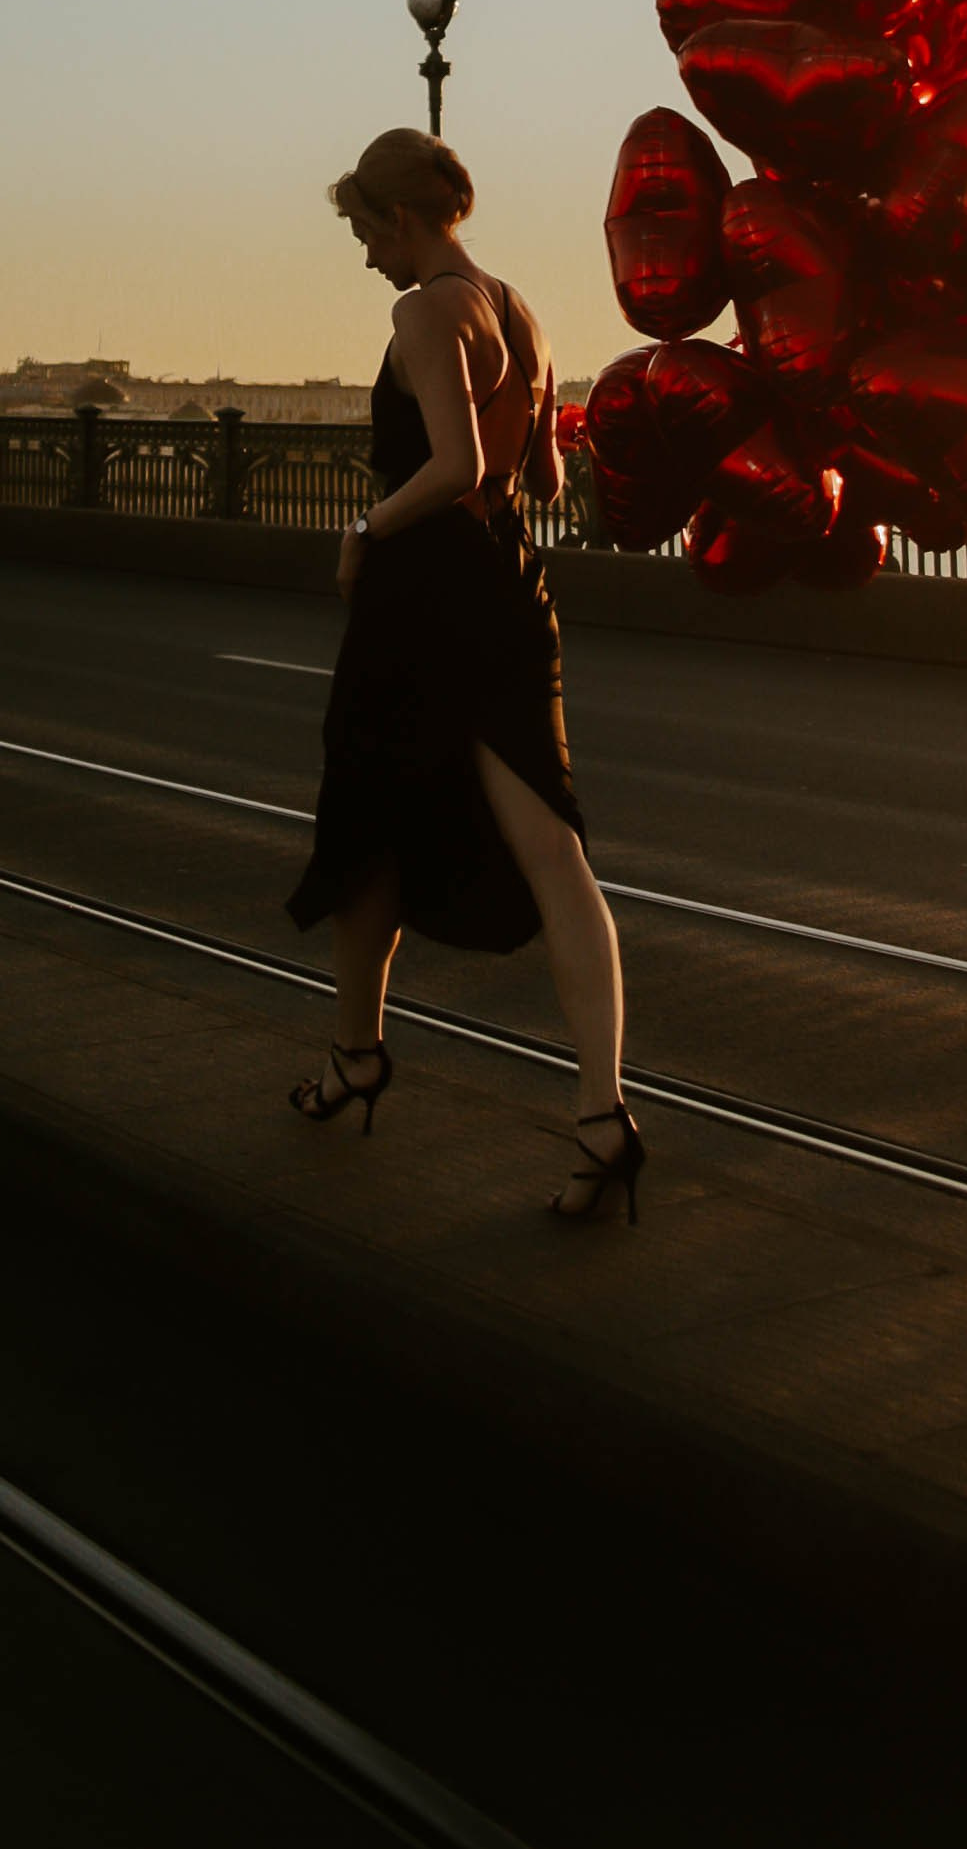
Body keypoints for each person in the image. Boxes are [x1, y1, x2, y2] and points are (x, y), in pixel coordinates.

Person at [284, 127, 640, 1223]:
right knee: (556, 853)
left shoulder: (426, 311)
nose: (365, 254)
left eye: (364, 230)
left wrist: (363, 527)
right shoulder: (520, 313)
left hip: (425, 598)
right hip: (511, 589)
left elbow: (456, 464)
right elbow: (539, 475)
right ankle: (602, 1112)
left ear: (400, 218)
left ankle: (357, 1055)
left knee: (364, 828)